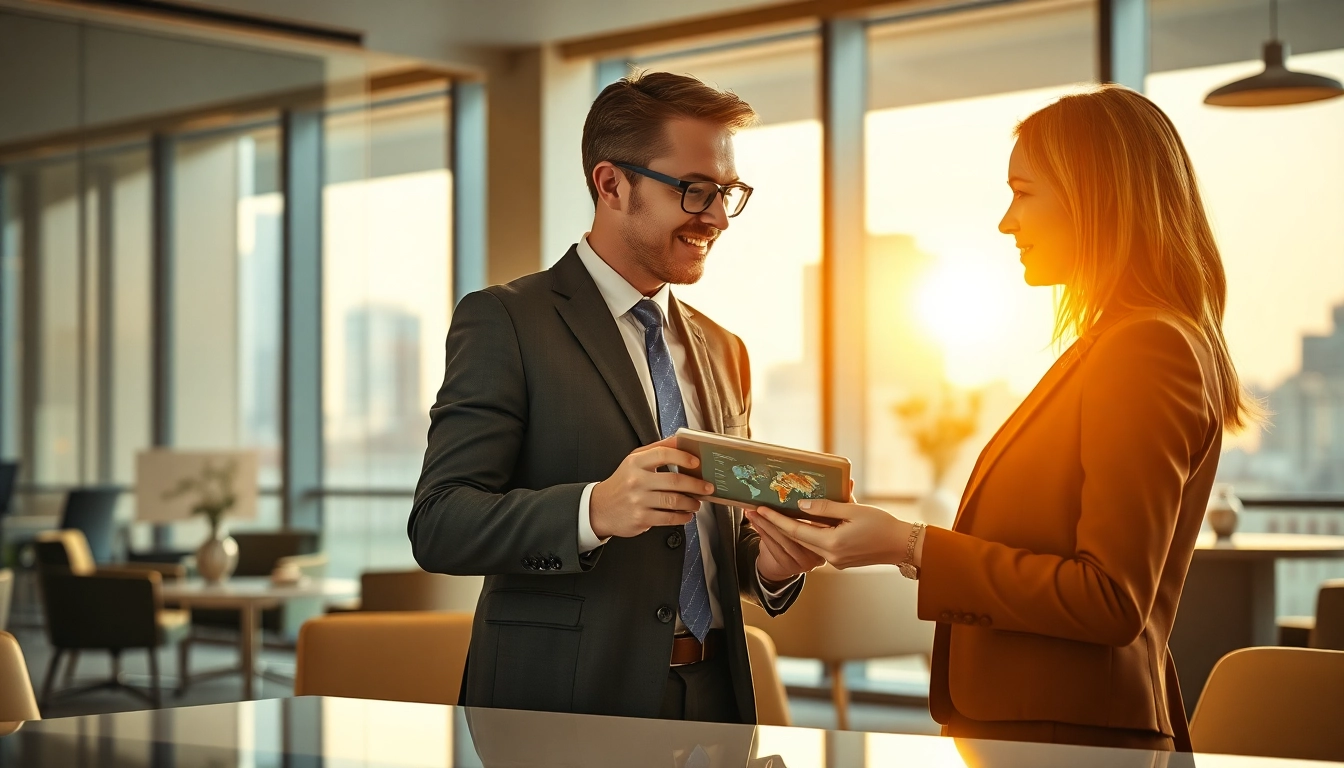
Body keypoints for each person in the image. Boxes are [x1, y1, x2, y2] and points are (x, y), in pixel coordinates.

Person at [746, 85, 1256, 750]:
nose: (1005, 222)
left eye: (1024, 191)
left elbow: (1110, 598)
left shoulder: (1145, 349)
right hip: (1046, 733)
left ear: (1096, 199)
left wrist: (908, 545)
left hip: (1065, 740)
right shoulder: (1123, 343)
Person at [408, 71, 821, 724]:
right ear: (611, 184)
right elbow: (439, 525)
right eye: (694, 190)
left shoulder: (724, 350)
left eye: (727, 193)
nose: (715, 216)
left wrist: (772, 562)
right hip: (563, 705)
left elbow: (719, 545)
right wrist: (595, 509)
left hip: (716, 699)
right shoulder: (506, 322)